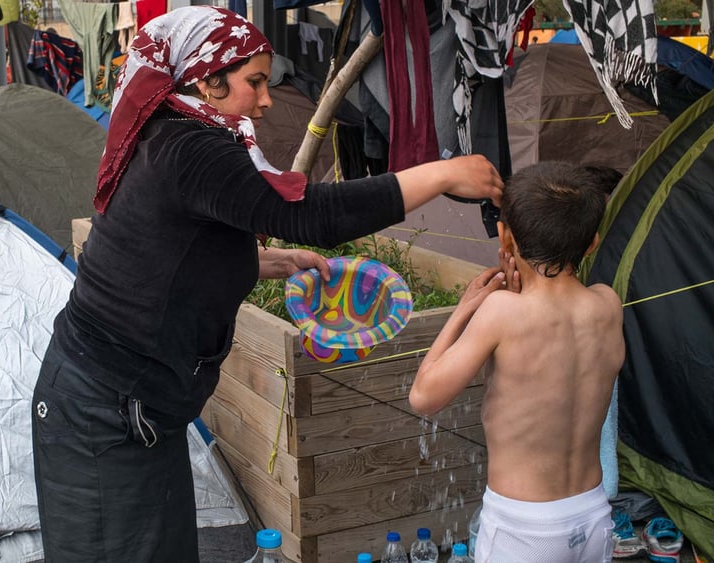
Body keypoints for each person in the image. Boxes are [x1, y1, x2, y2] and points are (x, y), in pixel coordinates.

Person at [31, 6, 503, 561]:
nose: (266, 99)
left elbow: (163, 252)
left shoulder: (170, 129)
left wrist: (267, 262)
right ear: (207, 79)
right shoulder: (189, 147)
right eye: (253, 82)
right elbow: (311, 214)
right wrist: (441, 173)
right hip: (105, 413)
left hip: (134, 407)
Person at [409, 161, 625, 563]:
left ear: (505, 237)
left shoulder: (501, 312)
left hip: (524, 528)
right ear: (592, 243)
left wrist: (466, 307)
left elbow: (424, 396)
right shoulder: (607, 305)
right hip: (592, 516)